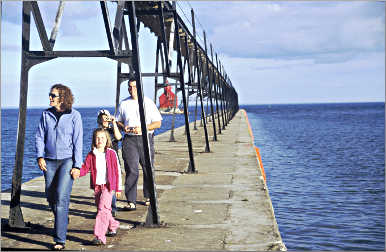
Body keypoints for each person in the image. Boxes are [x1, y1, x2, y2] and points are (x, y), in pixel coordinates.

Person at [35, 84, 83, 251]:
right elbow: (40, 136)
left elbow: (78, 142)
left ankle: (59, 239)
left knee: (61, 197)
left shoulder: (75, 116)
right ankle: (62, 219)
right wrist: (39, 156)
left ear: (62, 98)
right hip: (48, 161)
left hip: (67, 161)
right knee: (50, 196)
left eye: (53, 95)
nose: (50, 98)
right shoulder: (45, 114)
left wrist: (77, 165)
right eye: (50, 95)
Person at [116, 76, 162, 211]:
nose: (132, 89)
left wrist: (143, 127)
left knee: (148, 168)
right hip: (129, 140)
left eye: (135, 87)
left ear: (140, 88)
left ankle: (149, 196)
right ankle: (131, 201)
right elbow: (118, 120)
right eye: (129, 87)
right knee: (132, 170)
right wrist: (123, 126)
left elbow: (158, 123)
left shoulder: (148, 102)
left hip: (145, 138)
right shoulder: (124, 103)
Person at [72, 128, 122, 245]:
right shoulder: (91, 154)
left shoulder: (111, 153)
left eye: (102, 138)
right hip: (97, 187)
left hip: (108, 187)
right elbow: (85, 168)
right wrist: (77, 172)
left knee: (102, 210)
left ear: (107, 140)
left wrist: (118, 188)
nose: (100, 140)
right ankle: (113, 224)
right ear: (94, 140)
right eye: (97, 138)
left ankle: (99, 236)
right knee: (105, 210)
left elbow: (117, 171)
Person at [97, 109, 122, 217]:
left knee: (111, 186)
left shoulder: (112, 130)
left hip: (112, 161)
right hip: (100, 161)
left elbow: (119, 137)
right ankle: (101, 208)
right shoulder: (97, 132)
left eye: (106, 117)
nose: (105, 120)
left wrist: (114, 122)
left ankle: (112, 209)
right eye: (103, 118)